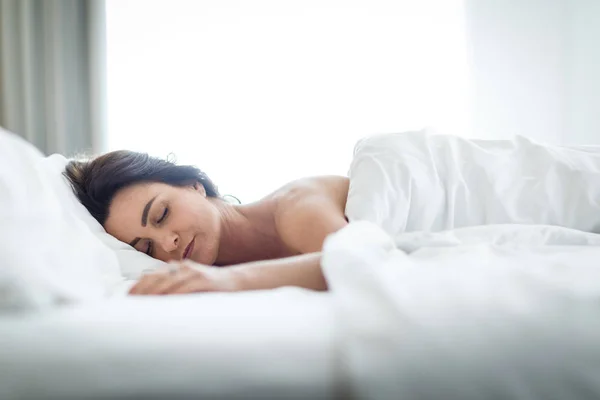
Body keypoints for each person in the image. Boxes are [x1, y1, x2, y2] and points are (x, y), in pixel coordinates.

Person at [65, 150, 349, 295]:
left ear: (193, 185)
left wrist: (227, 280)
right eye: (147, 249)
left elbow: (357, 261)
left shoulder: (295, 205)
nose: (167, 243)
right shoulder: (205, 281)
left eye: (162, 214)